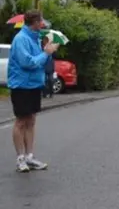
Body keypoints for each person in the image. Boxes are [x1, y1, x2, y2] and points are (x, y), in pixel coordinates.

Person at [9, 10, 59, 173]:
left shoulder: (36, 38)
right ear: (34, 23)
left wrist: (47, 50)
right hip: (21, 85)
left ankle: (30, 157)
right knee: (21, 121)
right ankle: (20, 159)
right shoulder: (21, 39)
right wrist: (45, 53)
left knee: (31, 120)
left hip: (34, 85)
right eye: (41, 22)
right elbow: (27, 63)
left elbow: (43, 62)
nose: (43, 24)